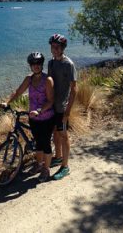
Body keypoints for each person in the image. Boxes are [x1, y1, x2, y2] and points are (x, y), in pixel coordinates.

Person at [3, 52, 55, 182]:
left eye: (38, 64)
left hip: (46, 117)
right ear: (30, 66)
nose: (36, 66)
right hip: (34, 118)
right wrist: (7, 102)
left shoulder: (47, 80)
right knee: (38, 142)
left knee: (45, 143)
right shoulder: (29, 79)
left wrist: (39, 110)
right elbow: (18, 92)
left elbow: (50, 101)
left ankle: (46, 169)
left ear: (42, 65)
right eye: (33, 64)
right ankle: (38, 164)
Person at [48, 33, 77, 180]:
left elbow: (74, 89)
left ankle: (65, 167)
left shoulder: (68, 64)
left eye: (57, 47)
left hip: (62, 107)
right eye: (52, 46)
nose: (54, 49)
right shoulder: (51, 63)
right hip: (52, 106)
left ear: (62, 48)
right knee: (55, 132)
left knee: (64, 135)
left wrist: (68, 112)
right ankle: (58, 157)